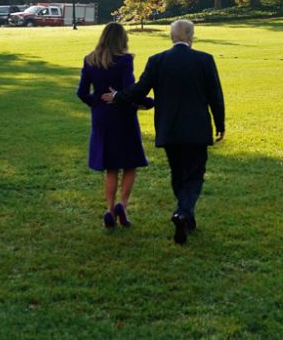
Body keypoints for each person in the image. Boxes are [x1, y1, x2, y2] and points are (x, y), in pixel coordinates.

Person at [103, 19, 225, 245]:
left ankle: (186, 216)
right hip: (197, 129)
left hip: (169, 129)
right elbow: (215, 96)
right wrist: (220, 124)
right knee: (195, 175)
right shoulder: (204, 60)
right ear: (191, 36)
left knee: (178, 174)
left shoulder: (157, 61)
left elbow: (140, 90)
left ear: (172, 37)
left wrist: (119, 97)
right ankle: (183, 212)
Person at [77, 22, 152, 229]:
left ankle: (110, 210)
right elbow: (129, 89)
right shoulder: (125, 60)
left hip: (102, 118)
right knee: (130, 162)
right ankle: (123, 204)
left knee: (111, 166)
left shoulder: (90, 60)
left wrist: (98, 103)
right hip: (123, 116)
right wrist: (149, 102)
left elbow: (82, 93)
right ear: (122, 39)